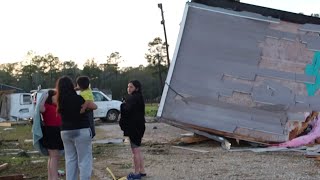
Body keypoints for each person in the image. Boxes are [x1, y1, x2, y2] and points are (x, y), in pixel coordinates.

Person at [56, 76, 97, 180]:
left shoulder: (60, 101)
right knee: (84, 160)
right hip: (81, 130)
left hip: (65, 132)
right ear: (72, 86)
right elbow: (93, 106)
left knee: (70, 159)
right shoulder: (78, 98)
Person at [119, 80, 146, 180]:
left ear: (136, 88)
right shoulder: (139, 97)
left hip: (134, 128)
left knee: (135, 152)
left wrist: (122, 105)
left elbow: (127, 110)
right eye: (128, 86)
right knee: (138, 150)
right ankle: (142, 170)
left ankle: (136, 173)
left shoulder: (133, 98)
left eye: (131, 87)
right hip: (139, 127)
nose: (128, 89)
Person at [39, 89, 64, 180]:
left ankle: (51, 177)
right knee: (54, 156)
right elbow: (40, 108)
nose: (57, 97)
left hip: (56, 131)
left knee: (53, 157)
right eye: (55, 95)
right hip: (51, 131)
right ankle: (54, 178)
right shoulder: (46, 105)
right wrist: (44, 96)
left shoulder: (55, 106)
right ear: (50, 97)